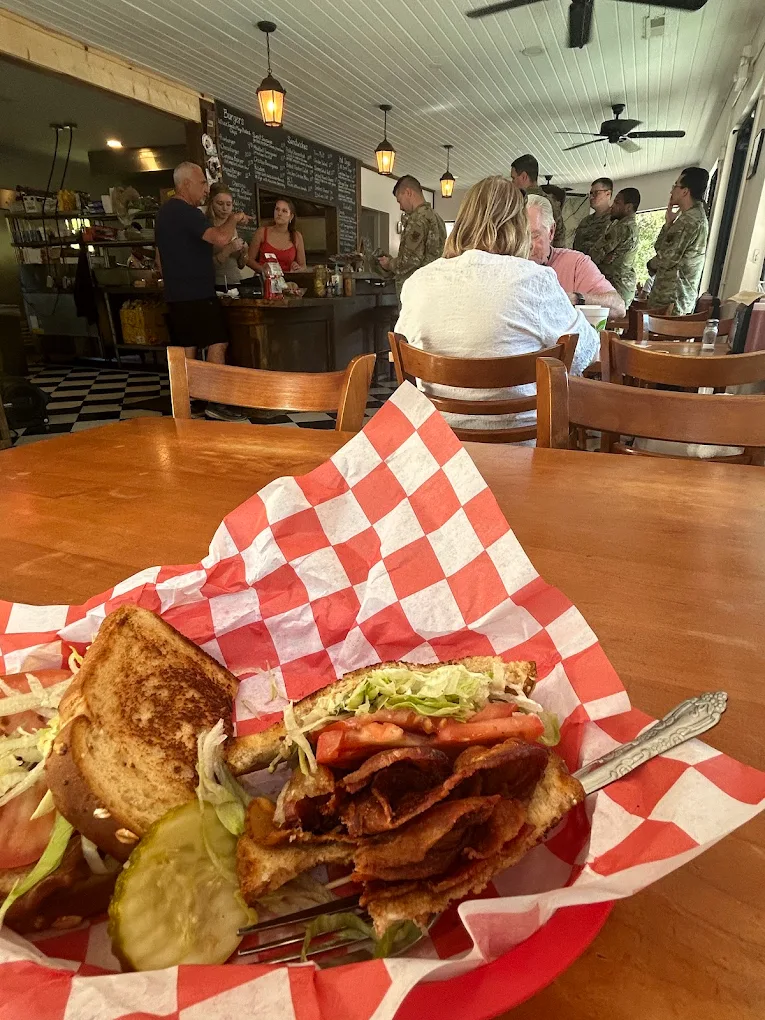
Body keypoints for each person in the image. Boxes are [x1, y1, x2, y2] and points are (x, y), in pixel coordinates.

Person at [394, 176, 599, 434]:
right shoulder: (535, 280)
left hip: (437, 448)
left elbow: (400, 354)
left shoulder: (418, 282)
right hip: (524, 450)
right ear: (518, 225)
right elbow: (587, 352)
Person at [155, 161, 249, 421]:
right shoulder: (187, 212)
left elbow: (159, 258)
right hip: (197, 292)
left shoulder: (164, 213)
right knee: (217, 341)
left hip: (176, 294)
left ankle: (192, 400)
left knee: (188, 347)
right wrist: (234, 218)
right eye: (201, 183)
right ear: (185, 184)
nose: (205, 189)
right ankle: (217, 401)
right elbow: (219, 238)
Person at [526, 195, 626, 318]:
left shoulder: (575, 263)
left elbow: (618, 307)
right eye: (521, 236)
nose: (526, 245)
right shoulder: (506, 263)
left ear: (551, 232)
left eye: (535, 236)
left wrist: (576, 299)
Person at [647, 167, 710, 315]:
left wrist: (650, 264)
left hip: (672, 301)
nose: (671, 191)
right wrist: (669, 224)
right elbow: (661, 247)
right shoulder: (688, 218)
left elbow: (666, 258)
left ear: (685, 191)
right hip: (671, 300)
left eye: (675, 185)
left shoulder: (690, 221)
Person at [378, 175, 447, 297]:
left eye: (400, 200)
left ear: (408, 192)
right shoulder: (437, 218)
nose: (400, 207)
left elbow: (410, 260)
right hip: (434, 288)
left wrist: (389, 264)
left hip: (416, 291)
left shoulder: (417, 220)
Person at [591, 188, 640, 307]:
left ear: (628, 207)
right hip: (623, 286)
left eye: (617, 203)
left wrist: (603, 258)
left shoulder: (622, 228)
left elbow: (594, 255)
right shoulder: (631, 227)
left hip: (615, 286)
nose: (612, 206)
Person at [510, 154, 566, 246]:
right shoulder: (552, 203)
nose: (512, 183)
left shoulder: (522, 204)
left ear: (524, 176)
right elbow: (560, 238)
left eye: (514, 178)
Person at [207, 182, 248, 291]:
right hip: (215, 285)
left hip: (236, 282)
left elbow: (241, 265)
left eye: (228, 204)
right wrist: (228, 249)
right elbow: (204, 265)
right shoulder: (206, 226)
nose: (225, 208)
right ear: (211, 203)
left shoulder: (234, 224)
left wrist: (244, 253)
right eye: (220, 203)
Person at [248, 196, 307, 273]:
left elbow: (303, 266)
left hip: (288, 281)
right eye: (277, 209)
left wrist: (296, 269)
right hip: (265, 280)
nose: (279, 213)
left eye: (284, 211)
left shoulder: (297, 236)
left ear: (291, 217)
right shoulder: (262, 232)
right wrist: (262, 269)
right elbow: (249, 259)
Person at [572, 177, 613, 257]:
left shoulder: (614, 221)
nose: (591, 197)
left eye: (596, 193)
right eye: (591, 193)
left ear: (608, 194)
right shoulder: (585, 221)